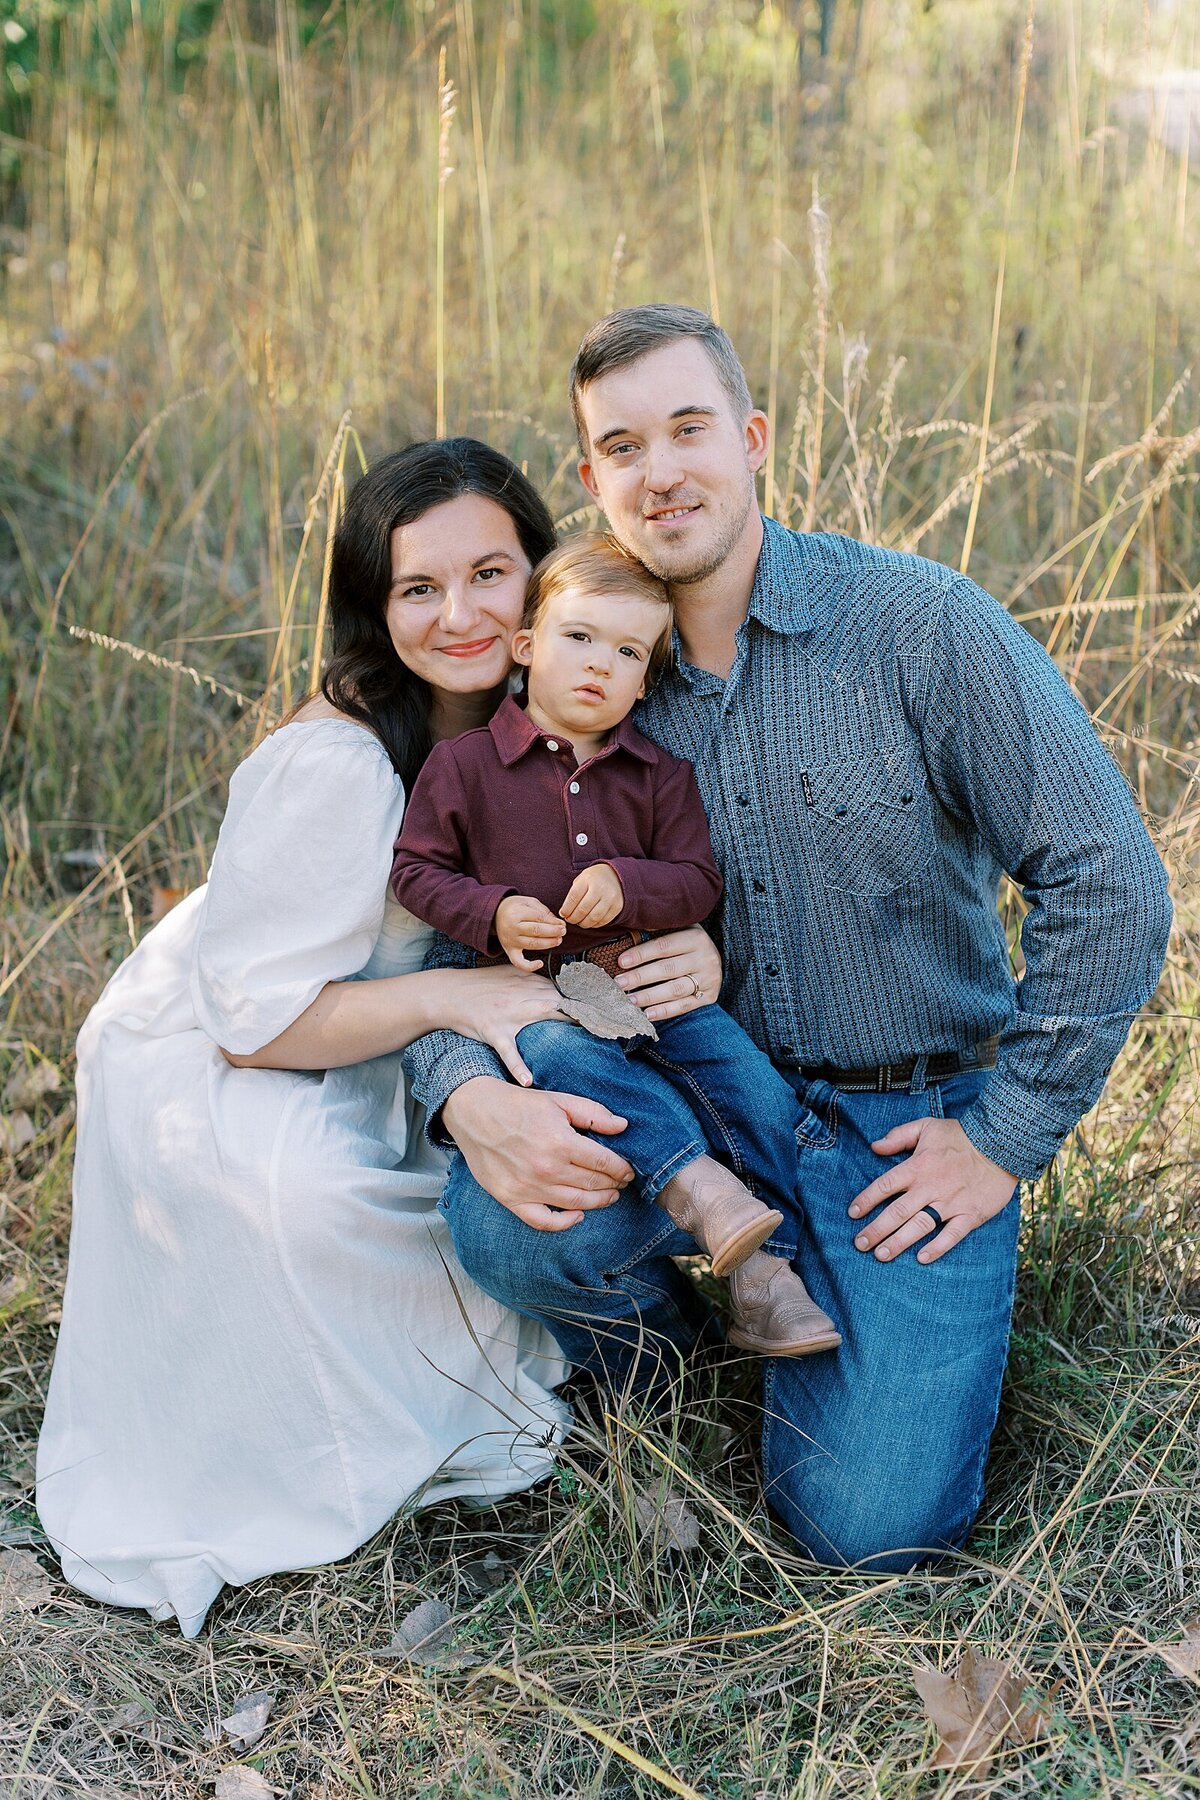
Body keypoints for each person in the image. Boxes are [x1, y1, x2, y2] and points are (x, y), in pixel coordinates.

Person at [404, 305, 1174, 1572]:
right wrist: (463, 1096)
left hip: (906, 1128)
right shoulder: (595, 679)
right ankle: (680, 1363)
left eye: (689, 430)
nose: (661, 472)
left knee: (865, 1531)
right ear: (592, 480)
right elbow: (460, 947)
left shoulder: (919, 628)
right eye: (622, 447)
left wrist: (1004, 1141)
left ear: (752, 439)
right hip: (702, 1104)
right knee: (503, 1222)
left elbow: (1112, 883)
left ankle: (845, 1342)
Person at [35, 436, 722, 1637]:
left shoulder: (564, 677)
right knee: (314, 1198)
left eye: (491, 575)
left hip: (395, 995)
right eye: (417, 588)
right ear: (375, 602)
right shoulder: (339, 763)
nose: (459, 615)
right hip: (264, 1011)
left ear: (538, 582)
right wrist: (458, 1009)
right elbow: (252, 1017)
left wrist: (689, 935)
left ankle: (676, 1295)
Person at [391, 533, 841, 1356]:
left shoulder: (658, 773)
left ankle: (763, 1276)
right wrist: (491, 912)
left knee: (749, 1086)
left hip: (645, 987)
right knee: (562, 1055)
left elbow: (698, 882)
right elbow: (416, 873)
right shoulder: (463, 768)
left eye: (628, 650)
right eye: (579, 637)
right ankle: (695, 1187)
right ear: (526, 647)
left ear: (646, 677)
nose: (600, 664)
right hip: (537, 997)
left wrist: (632, 884)